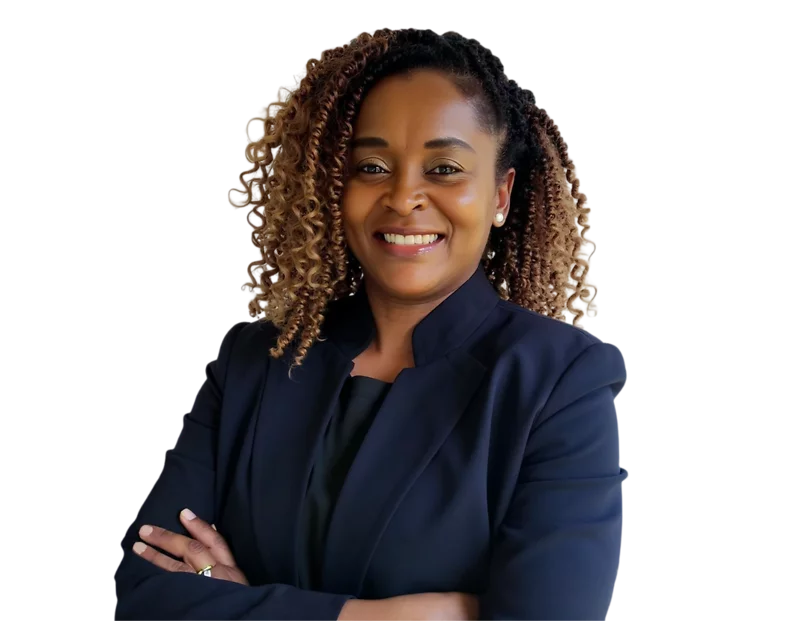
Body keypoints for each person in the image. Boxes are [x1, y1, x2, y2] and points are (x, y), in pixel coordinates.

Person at [113, 27, 628, 621]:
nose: (405, 196)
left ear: (501, 194)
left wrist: (233, 598)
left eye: (444, 168)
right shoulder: (255, 360)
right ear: (336, 188)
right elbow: (146, 592)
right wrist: (389, 616)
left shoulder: (559, 381)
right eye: (372, 166)